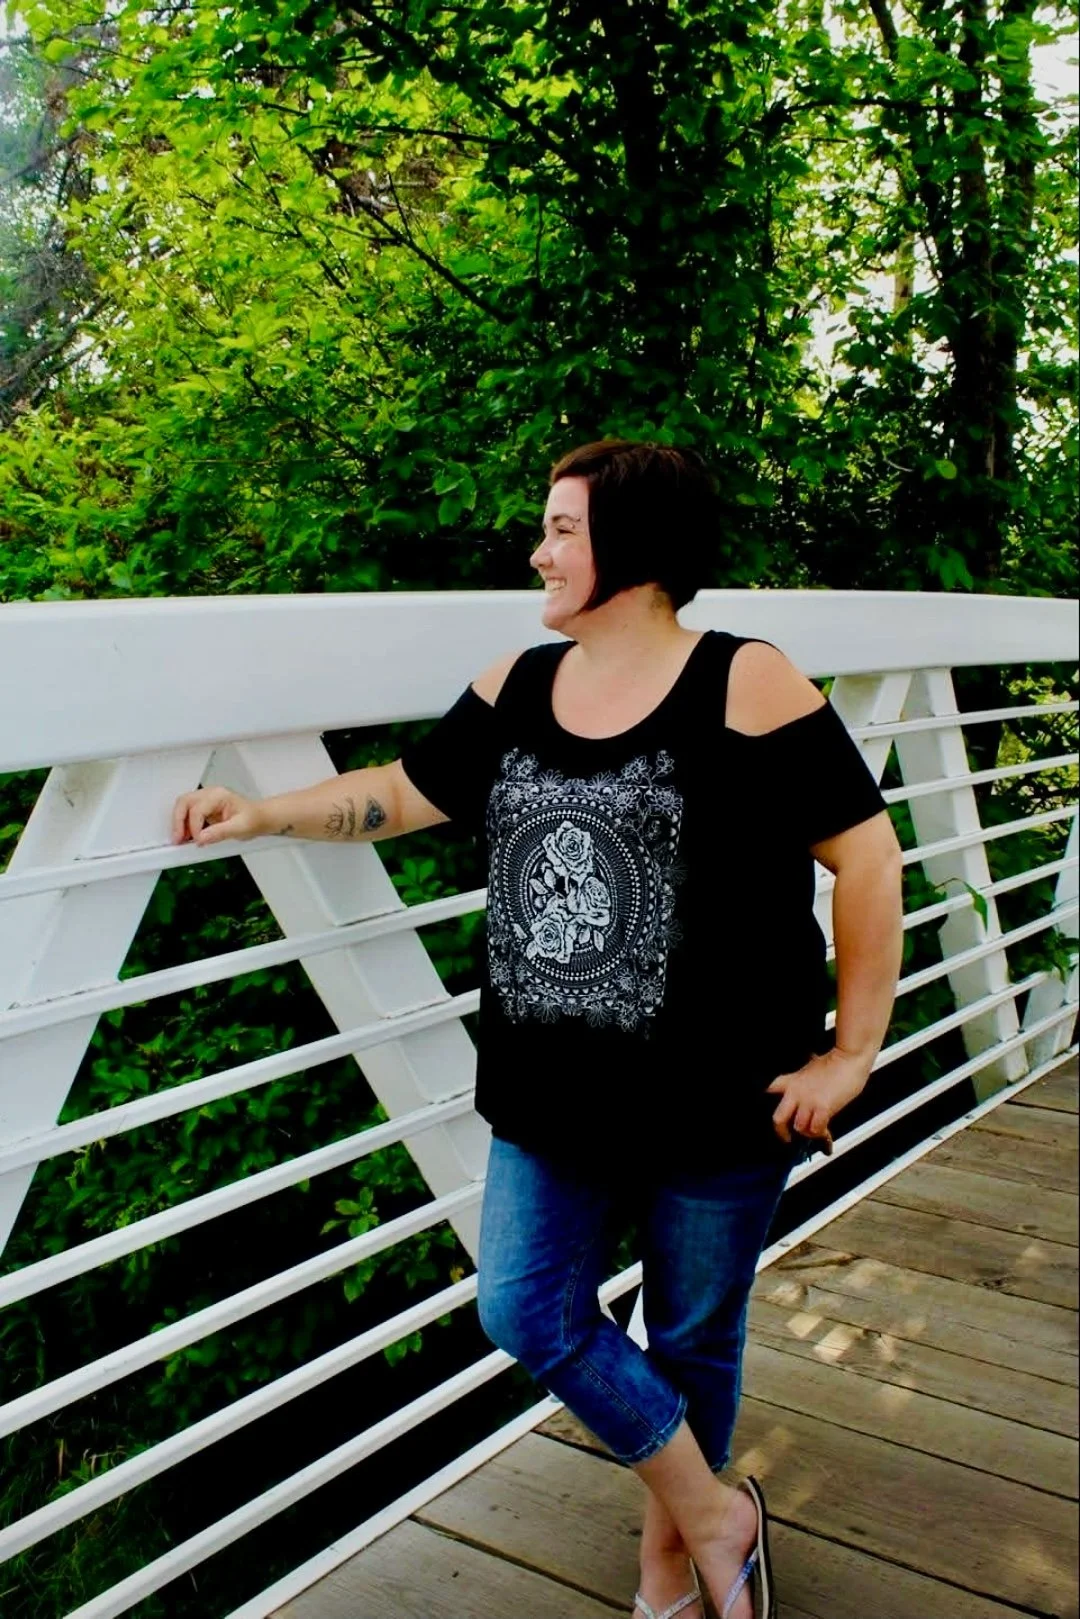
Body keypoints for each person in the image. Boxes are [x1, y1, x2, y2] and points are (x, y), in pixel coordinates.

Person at [172, 440, 904, 1619]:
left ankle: (671, 1559)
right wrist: (263, 808)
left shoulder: (745, 678)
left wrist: (852, 1050)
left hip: (725, 1091)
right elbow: (411, 790)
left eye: (562, 528)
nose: (539, 550)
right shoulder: (519, 680)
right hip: (552, 1088)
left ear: (636, 544)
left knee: (695, 1337)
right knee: (521, 1304)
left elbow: (866, 855)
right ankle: (721, 1514)